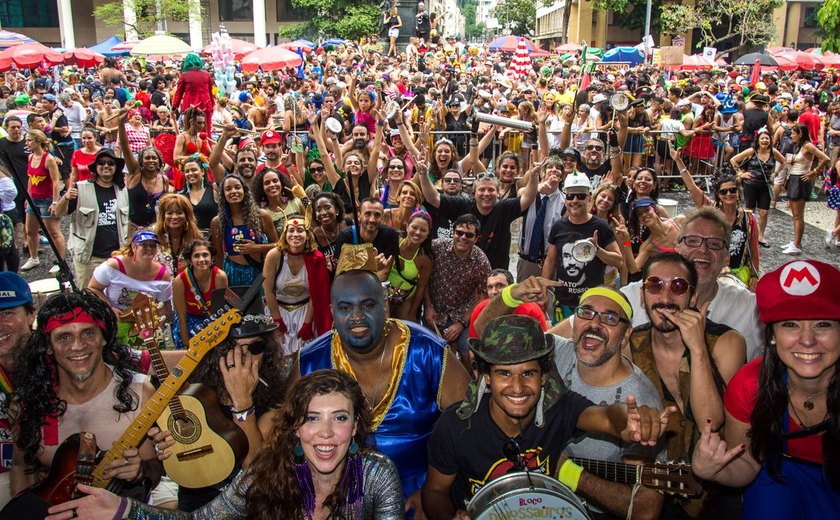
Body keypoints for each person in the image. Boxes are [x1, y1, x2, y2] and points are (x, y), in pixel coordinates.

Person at [45, 370, 405, 520]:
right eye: (312, 418)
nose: (325, 432)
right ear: (295, 427)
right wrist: (124, 510)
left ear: (356, 426)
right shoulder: (263, 477)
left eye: (339, 418)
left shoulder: (376, 475)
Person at [422, 314, 675, 520]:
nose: (518, 388)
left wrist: (628, 421)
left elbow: (607, 417)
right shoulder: (456, 426)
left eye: (528, 374)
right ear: (486, 377)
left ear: (543, 377)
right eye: (504, 374)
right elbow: (434, 491)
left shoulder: (558, 409)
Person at [293, 242, 471, 518]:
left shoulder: (428, 353)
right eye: (345, 307)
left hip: (417, 502)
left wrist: (437, 492)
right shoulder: (310, 361)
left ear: (385, 305)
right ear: (331, 311)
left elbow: (471, 428)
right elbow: (281, 438)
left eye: (367, 305)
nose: (357, 317)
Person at [473, 281, 667, 518]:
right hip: (528, 493)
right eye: (586, 313)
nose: (594, 324)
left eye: (609, 318)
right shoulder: (556, 352)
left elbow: (646, 510)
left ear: (626, 335)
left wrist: (568, 473)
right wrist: (511, 295)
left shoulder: (640, 399)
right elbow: (486, 334)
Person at [691, 259, 840, 518]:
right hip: (778, 484)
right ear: (771, 335)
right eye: (790, 324)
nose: (807, 340)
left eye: (823, 324)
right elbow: (748, 462)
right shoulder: (750, 386)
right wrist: (712, 470)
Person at [5, 291, 162, 518]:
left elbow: (154, 470)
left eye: (88, 333)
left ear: (104, 338)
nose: (77, 346)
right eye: (64, 337)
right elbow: (21, 467)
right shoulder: (28, 405)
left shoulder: (139, 394)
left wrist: (141, 471)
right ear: (49, 346)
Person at [417, 157, 539, 269]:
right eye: (481, 189)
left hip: (495, 273)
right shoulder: (463, 205)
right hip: (464, 270)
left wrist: (533, 178)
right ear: (474, 193)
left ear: (498, 193)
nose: (486, 194)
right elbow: (433, 198)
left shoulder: (504, 208)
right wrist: (423, 174)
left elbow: (527, 198)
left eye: (491, 190)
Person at [542, 171, 622, 323]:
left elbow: (619, 262)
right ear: (565, 199)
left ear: (589, 198)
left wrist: (597, 250)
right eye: (570, 196)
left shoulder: (601, 227)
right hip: (563, 303)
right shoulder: (558, 226)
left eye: (580, 196)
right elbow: (550, 261)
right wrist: (544, 291)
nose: (575, 200)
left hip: (591, 304)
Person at [55, 148, 130, 289]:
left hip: (116, 256)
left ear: (116, 167)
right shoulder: (80, 188)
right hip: (89, 257)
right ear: (95, 167)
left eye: (110, 163)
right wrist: (65, 198)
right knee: (89, 296)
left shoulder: (122, 190)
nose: (106, 166)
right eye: (101, 162)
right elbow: (58, 213)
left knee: (117, 297)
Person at [262, 216, 332, 356]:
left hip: (305, 312)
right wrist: (277, 320)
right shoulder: (274, 255)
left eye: (300, 230)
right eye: (291, 230)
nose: (295, 235)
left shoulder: (316, 258)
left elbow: (316, 294)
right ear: (285, 234)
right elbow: (268, 290)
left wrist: (307, 323)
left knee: (303, 356)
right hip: (278, 309)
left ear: (307, 235)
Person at [88, 230, 173, 344]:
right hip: (114, 319)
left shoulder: (162, 275)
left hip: (145, 324)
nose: (149, 248)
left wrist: (159, 332)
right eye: (144, 245)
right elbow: (92, 288)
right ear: (134, 247)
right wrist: (109, 308)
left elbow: (163, 307)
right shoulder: (114, 265)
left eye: (153, 245)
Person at [426, 213, 492, 356]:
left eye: (469, 235)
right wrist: (428, 306)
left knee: (468, 351)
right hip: (434, 312)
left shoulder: (481, 261)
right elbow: (423, 277)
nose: (463, 237)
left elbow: (483, 297)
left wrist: (461, 323)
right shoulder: (436, 247)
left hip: (464, 315)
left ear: (477, 238)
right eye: (459, 233)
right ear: (453, 232)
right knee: (430, 352)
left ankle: (469, 377)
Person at [0, 273, 34, 509]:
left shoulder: (66, 352)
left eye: (7, 313)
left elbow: (139, 363)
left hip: (59, 466)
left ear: (31, 315)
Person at [210, 174, 278, 286]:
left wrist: (256, 248)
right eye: (228, 189)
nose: (233, 191)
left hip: (259, 273)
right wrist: (219, 283)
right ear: (223, 194)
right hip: (232, 274)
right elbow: (218, 256)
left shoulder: (262, 215)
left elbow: (279, 245)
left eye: (237, 187)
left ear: (244, 190)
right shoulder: (217, 222)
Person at [117, 109, 170, 234]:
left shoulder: (164, 179)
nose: (150, 161)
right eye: (147, 158)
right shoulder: (136, 173)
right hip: (134, 228)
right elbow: (125, 146)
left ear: (159, 161)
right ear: (141, 161)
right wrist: (120, 122)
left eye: (154, 158)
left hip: (156, 229)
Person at [780, 123, 829, 256]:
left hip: (801, 180)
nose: (791, 135)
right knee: (795, 214)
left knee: (798, 215)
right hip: (794, 178)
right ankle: (796, 241)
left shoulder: (808, 145)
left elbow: (825, 158)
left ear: (800, 133)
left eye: (794, 133)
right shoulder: (799, 146)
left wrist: (814, 172)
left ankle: (797, 244)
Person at [171, 238, 228, 349]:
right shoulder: (180, 281)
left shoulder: (220, 277)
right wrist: (187, 347)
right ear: (190, 260)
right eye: (196, 256)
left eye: (205, 255)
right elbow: (182, 317)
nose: (201, 259)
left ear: (212, 258)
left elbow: (222, 313)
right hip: (188, 322)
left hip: (213, 321)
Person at [20, 129, 63, 272]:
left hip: (47, 199)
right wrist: (28, 195)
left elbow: (56, 181)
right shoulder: (30, 157)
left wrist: (55, 202)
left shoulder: (49, 159)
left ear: (38, 141)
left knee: (53, 232)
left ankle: (60, 261)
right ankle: (33, 258)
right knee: (30, 230)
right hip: (33, 197)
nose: (26, 143)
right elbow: (30, 178)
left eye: (29, 140)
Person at [334, 197, 400, 281]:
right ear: (359, 216)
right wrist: (370, 266)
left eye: (377, 215)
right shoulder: (346, 236)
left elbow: (384, 273)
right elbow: (341, 276)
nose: (372, 220)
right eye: (367, 214)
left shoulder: (390, 235)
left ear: (382, 217)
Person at [386, 211, 433, 321]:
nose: (417, 232)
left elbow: (421, 287)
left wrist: (412, 312)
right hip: (384, 293)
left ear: (427, 234)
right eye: (414, 227)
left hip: (405, 298)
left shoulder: (425, 259)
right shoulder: (393, 241)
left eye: (423, 230)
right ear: (407, 227)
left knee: (402, 329)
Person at [152, 193, 204, 277]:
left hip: (187, 286)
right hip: (159, 286)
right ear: (163, 215)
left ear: (187, 215)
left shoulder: (196, 236)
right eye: (169, 213)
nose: (174, 217)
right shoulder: (153, 235)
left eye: (179, 213)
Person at [172, 53, 214, 136]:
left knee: (189, 130)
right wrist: (211, 105)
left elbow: (179, 93)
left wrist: (174, 107)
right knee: (206, 130)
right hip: (205, 105)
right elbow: (210, 92)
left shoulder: (184, 75)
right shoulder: (207, 74)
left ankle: (191, 147)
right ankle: (206, 147)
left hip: (189, 105)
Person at [178, 153, 217, 233]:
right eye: (187, 171)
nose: (190, 174)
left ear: (202, 171)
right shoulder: (181, 196)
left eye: (194, 170)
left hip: (213, 239)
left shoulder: (214, 189)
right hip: (191, 239)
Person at [311, 191, 347, 277]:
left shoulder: (347, 224)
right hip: (332, 283)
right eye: (318, 210)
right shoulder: (314, 236)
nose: (323, 213)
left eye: (327, 207)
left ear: (337, 210)